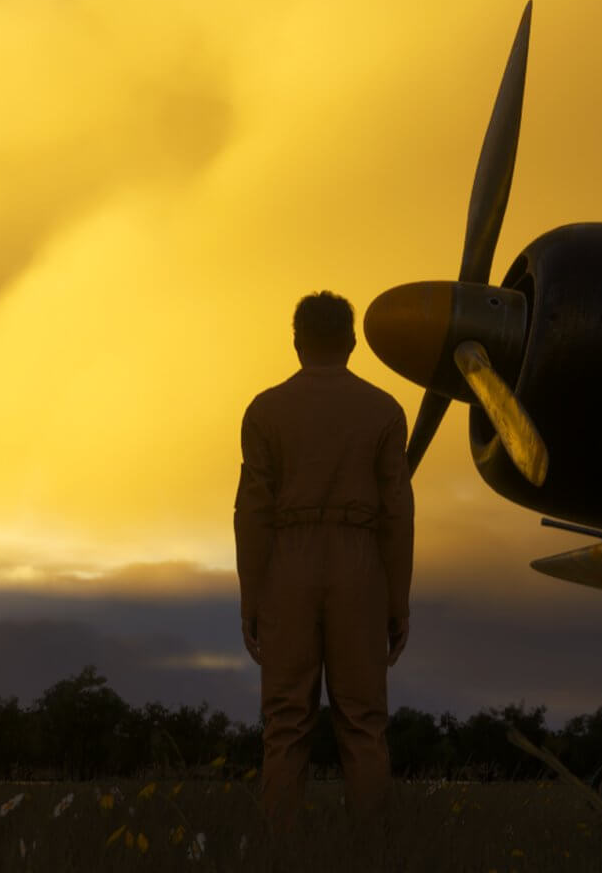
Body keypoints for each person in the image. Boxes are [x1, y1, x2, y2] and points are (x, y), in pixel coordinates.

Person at [234, 291, 415, 829]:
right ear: (352, 343)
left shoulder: (264, 411)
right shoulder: (385, 410)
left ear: (297, 344)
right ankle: (370, 854)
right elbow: (398, 515)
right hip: (360, 565)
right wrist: (397, 601)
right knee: (362, 722)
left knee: (286, 720)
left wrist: (252, 599)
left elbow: (252, 512)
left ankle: (282, 853)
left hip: (287, 564)